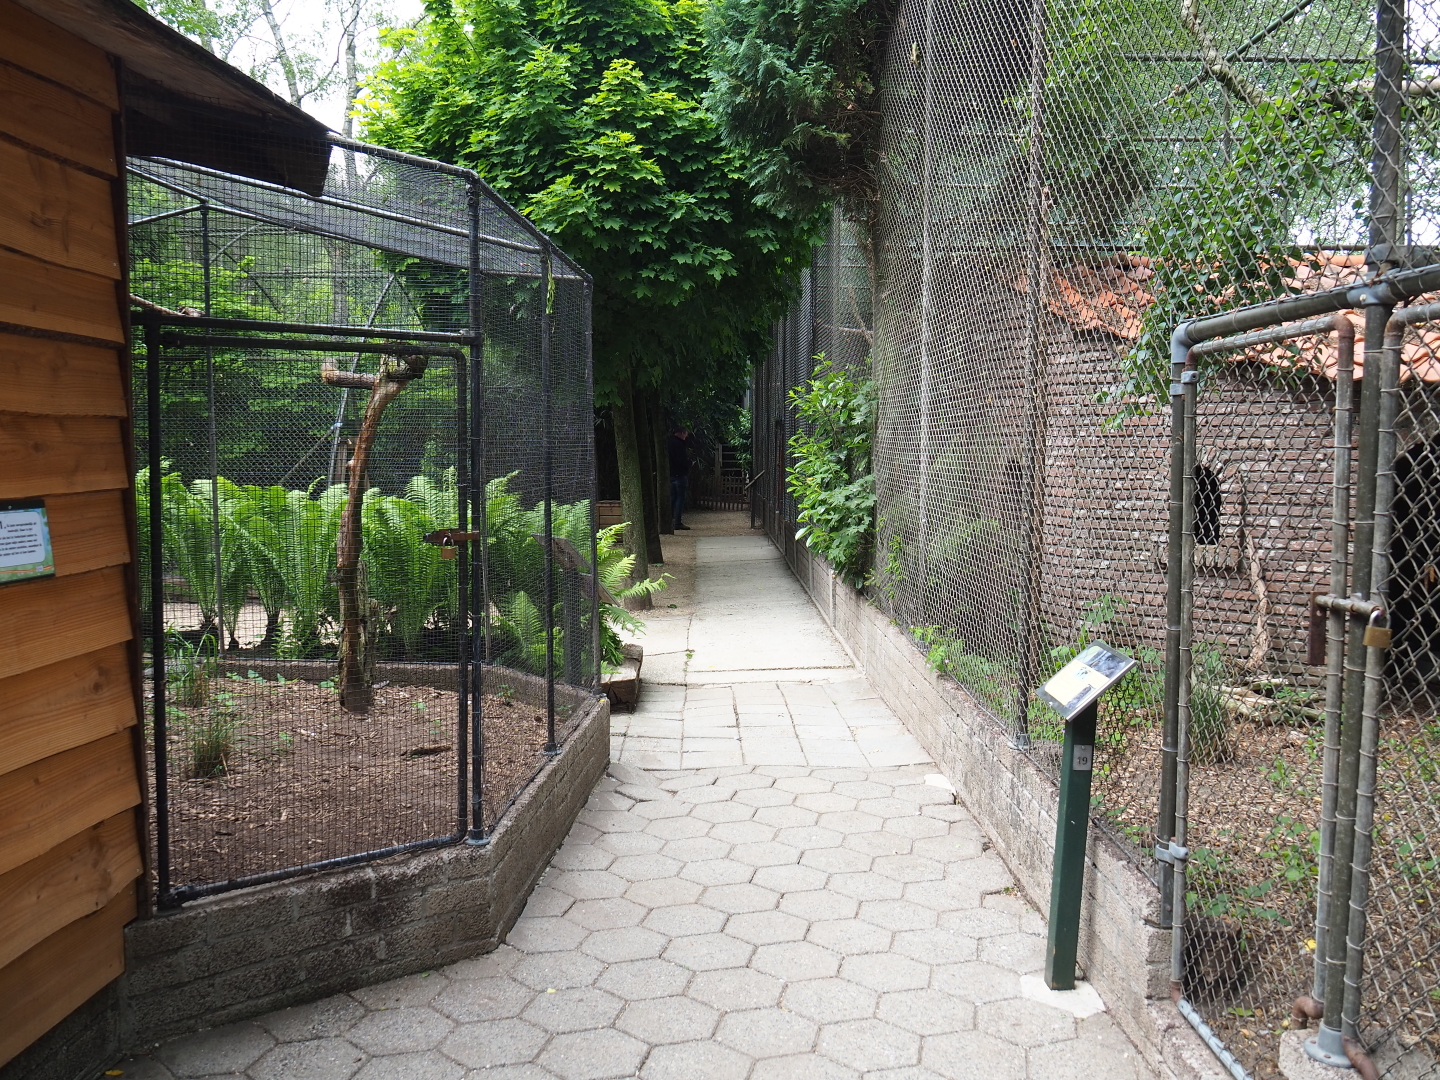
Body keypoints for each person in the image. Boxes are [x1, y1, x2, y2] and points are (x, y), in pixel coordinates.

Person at [667, 425, 693, 531]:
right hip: (680, 474)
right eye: (686, 434)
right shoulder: (680, 444)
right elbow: (681, 460)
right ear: (682, 433)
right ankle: (677, 522)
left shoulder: (668, 442)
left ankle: (669, 520)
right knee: (680, 498)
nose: (686, 436)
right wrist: (689, 463)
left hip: (671, 474)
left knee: (672, 498)